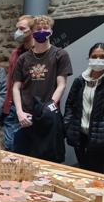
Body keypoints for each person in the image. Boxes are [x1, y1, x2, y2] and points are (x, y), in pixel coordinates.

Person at [13, 15, 72, 162]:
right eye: (38, 29)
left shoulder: (60, 54)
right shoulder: (24, 58)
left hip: (48, 115)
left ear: (51, 31)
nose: (42, 31)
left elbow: (61, 84)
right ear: (32, 32)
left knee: (49, 161)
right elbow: (16, 87)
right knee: (23, 160)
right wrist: (19, 112)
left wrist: (50, 105)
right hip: (26, 116)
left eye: (46, 28)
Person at [64, 43, 104, 173]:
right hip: (79, 134)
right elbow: (70, 106)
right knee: (82, 171)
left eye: (102, 56)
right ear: (89, 58)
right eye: (94, 56)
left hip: (101, 136)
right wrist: (68, 125)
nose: (98, 59)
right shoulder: (80, 80)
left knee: (95, 173)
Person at [3, 15, 34, 152]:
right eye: (17, 29)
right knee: (10, 148)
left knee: (25, 151)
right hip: (13, 107)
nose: (18, 32)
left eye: (22, 29)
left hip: (29, 108)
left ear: (33, 30)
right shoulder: (16, 53)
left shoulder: (39, 54)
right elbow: (11, 81)